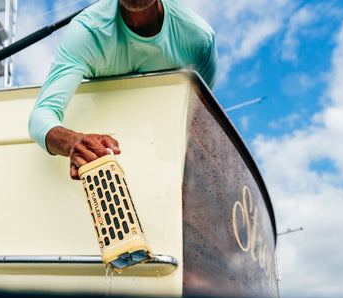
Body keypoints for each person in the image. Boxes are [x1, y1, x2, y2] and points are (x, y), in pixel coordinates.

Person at [28, 0, 217, 179]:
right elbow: (41, 116)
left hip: (164, 169)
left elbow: (202, 121)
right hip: (106, 171)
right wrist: (72, 142)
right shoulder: (87, 31)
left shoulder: (199, 38)